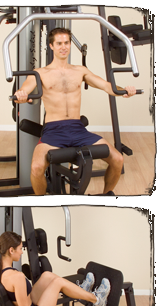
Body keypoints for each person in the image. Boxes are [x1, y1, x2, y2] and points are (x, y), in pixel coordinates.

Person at [14, 27, 137, 196]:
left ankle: (106, 196)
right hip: (53, 130)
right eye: (59, 43)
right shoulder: (40, 73)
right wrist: (21, 95)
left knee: (118, 159)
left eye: (66, 43)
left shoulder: (80, 71)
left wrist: (124, 91)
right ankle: (41, 201)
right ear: (51, 46)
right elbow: (24, 90)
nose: (63, 47)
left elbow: (107, 86)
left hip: (77, 128)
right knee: (36, 168)